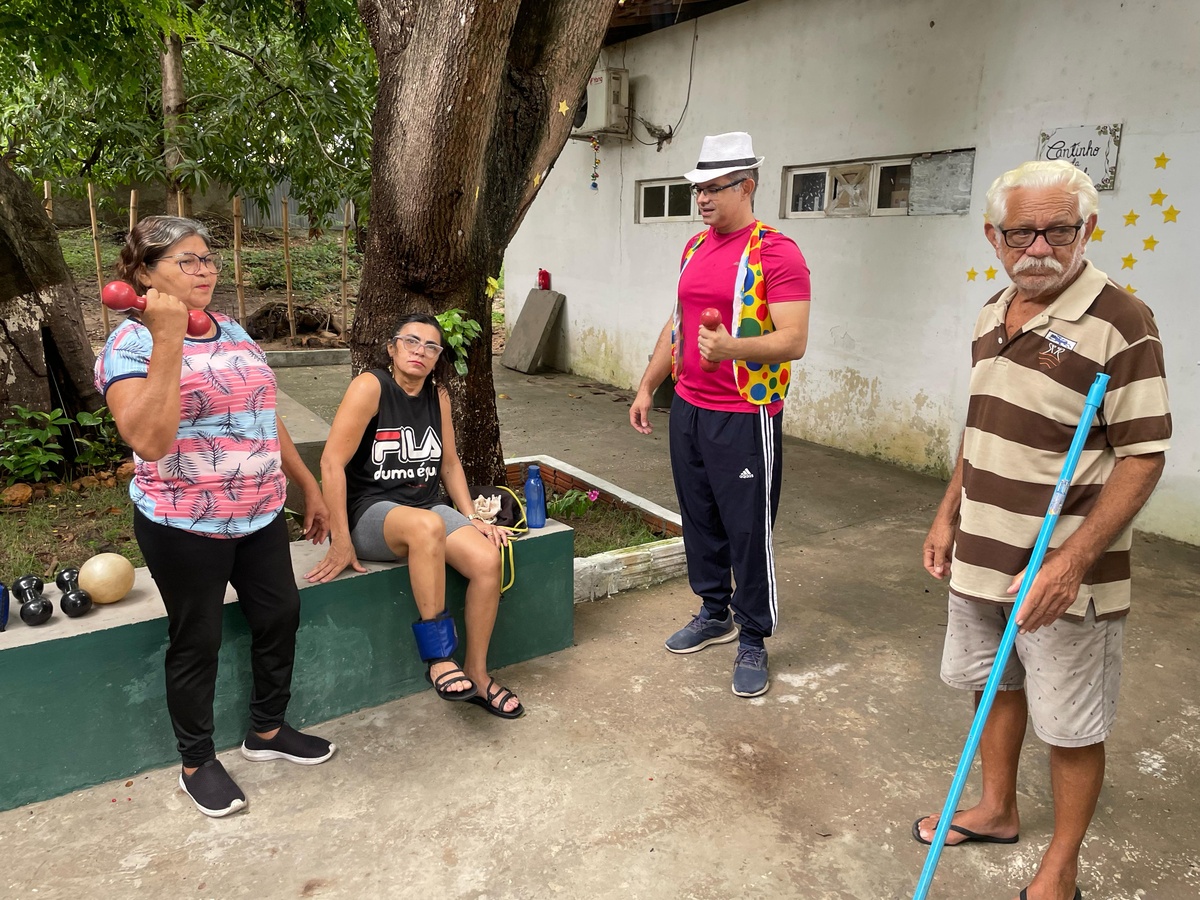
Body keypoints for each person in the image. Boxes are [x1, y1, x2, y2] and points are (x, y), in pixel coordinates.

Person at [913, 161, 1171, 900]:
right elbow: (980, 427)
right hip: (981, 553)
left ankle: (1062, 869)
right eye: (1022, 231)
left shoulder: (1122, 321)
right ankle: (995, 809)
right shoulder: (992, 312)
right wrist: (947, 513)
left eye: (1060, 229)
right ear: (993, 237)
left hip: (1064, 574)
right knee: (992, 688)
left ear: (1086, 230)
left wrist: (1070, 562)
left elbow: (1143, 457)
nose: (1040, 246)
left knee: (1070, 724)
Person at [95, 216, 336, 819]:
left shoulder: (230, 328)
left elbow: (260, 408)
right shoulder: (129, 345)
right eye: (186, 261)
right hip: (183, 522)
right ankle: (197, 760)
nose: (204, 270)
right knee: (196, 638)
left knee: (280, 613)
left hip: (257, 513)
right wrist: (168, 337)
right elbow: (148, 439)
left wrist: (306, 483)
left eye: (208, 258)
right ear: (143, 275)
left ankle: (267, 730)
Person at [628, 131, 811, 698]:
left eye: (713, 188)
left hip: (744, 412)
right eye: (698, 189)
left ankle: (753, 634)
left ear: (746, 186)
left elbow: (794, 339)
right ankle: (714, 611)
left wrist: (731, 348)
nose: (703, 199)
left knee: (746, 528)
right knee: (699, 515)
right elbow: (678, 324)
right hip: (689, 406)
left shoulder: (775, 252)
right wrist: (649, 383)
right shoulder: (694, 247)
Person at [304, 314, 523, 719]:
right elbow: (332, 462)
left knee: (487, 559)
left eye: (431, 347)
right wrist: (340, 538)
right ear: (392, 348)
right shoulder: (371, 387)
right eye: (411, 341)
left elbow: (450, 462)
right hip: (372, 512)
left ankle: (476, 673)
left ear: (438, 357)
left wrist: (472, 515)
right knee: (427, 527)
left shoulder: (437, 395)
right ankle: (439, 656)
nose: (420, 351)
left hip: (428, 507)